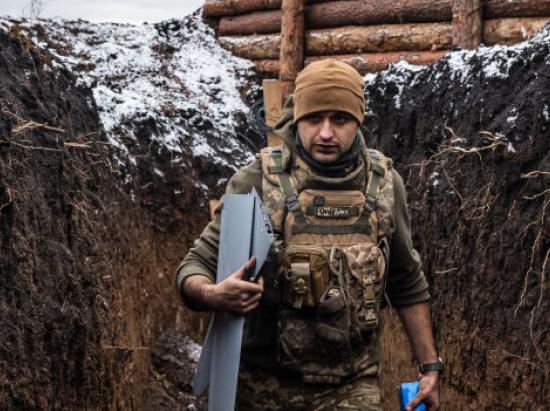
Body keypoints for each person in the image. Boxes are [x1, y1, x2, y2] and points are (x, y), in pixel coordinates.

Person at [176, 60, 443, 411]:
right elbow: (193, 266)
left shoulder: (385, 186)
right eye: (314, 119)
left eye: (340, 119)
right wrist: (213, 294)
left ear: (359, 121)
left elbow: (406, 281)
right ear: (295, 118)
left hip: (352, 384)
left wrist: (429, 368)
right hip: (259, 383)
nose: (326, 133)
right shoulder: (256, 180)